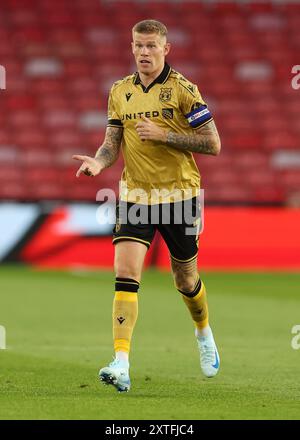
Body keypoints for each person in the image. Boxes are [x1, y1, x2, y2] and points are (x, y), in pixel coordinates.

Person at [73, 19, 221, 393]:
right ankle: (121, 363)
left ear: (165, 49)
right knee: (126, 275)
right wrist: (98, 162)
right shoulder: (120, 91)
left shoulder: (184, 90)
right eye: (137, 45)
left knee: (185, 279)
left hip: (180, 196)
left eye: (151, 46)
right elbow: (112, 143)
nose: (143, 52)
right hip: (135, 196)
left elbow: (213, 143)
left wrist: (165, 135)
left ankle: (203, 333)